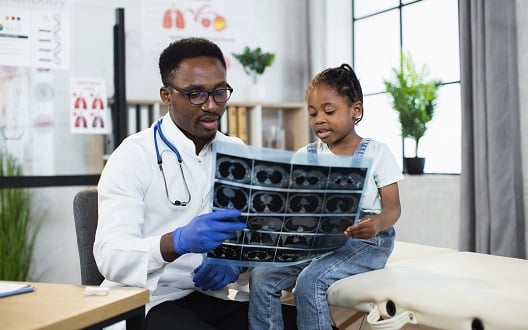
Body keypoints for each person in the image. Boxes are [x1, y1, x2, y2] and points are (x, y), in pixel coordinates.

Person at [94, 37, 250, 330]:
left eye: (219, 92)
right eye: (196, 95)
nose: (212, 106)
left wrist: (236, 263)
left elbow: (255, 233)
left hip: (211, 296)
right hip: (148, 299)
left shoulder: (237, 153)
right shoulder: (133, 156)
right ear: (167, 95)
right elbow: (109, 256)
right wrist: (174, 243)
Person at [248, 64, 404, 330]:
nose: (319, 118)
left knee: (310, 282)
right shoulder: (304, 155)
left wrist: (376, 223)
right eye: (312, 113)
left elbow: (393, 209)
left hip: (365, 242)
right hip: (318, 240)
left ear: (356, 110)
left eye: (329, 111)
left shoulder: (377, 153)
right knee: (262, 277)